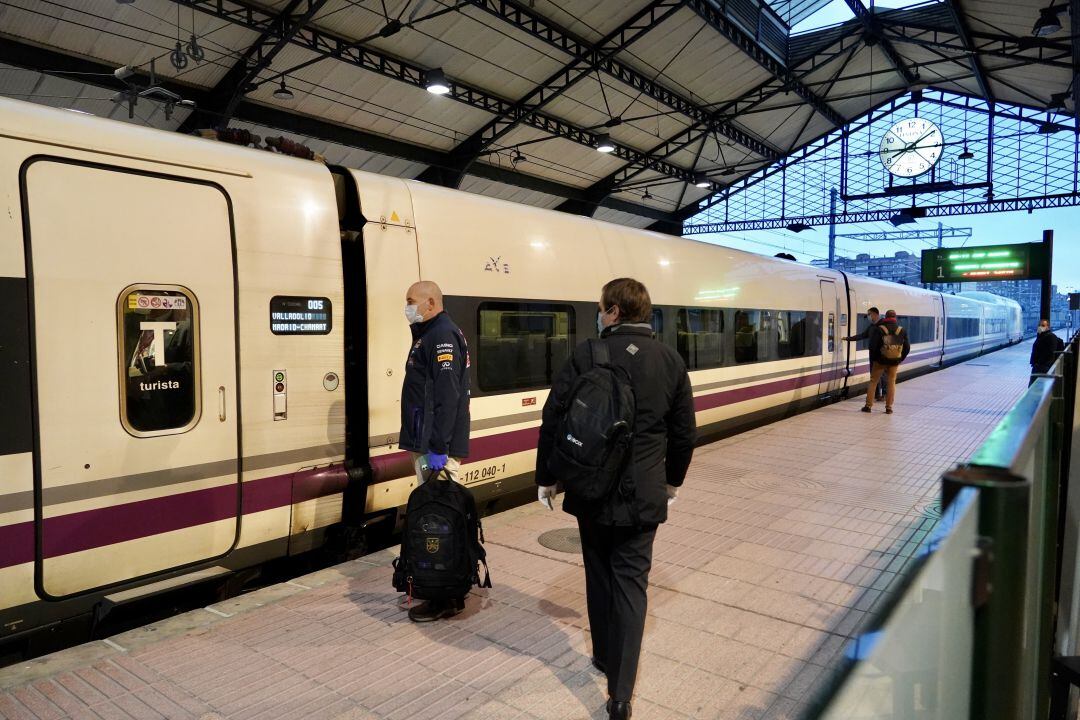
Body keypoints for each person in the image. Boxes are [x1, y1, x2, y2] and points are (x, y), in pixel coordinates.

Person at [535, 278, 696, 720]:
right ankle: (620, 693)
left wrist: (547, 477)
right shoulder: (670, 360)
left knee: (598, 572)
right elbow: (684, 434)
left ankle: (604, 655)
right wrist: (671, 483)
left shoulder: (588, 353)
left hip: (590, 488)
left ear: (614, 312)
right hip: (643, 494)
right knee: (631, 584)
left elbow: (555, 417)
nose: (598, 314)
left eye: (601, 307)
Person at [398, 280, 471, 622]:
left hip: (434, 445)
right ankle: (440, 587)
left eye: (411, 301)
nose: (407, 307)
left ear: (430, 302)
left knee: (441, 521)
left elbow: (447, 396)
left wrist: (439, 447)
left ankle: (446, 596)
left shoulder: (441, 335)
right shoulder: (428, 333)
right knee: (437, 518)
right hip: (427, 441)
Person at [863, 309, 909, 414]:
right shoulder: (901, 330)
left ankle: (868, 406)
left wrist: (876, 359)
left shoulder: (880, 329)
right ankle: (889, 408)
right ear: (895, 318)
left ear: (886, 317)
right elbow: (907, 347)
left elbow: (872, 346)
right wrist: (899, 359)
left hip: (880, 362)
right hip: (894, 362)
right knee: (891, 383)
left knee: (873, 381)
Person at [843, 307, 886, 400]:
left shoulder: (884, 326)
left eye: (869, 314)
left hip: (882, 355)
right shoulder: (872, 327)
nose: (868, 317)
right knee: (874, 375)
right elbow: (862, 335)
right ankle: (877, 395)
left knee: (882, 375)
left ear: (875, 314)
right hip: (873, 354)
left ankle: (885, 394)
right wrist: (848, 338)